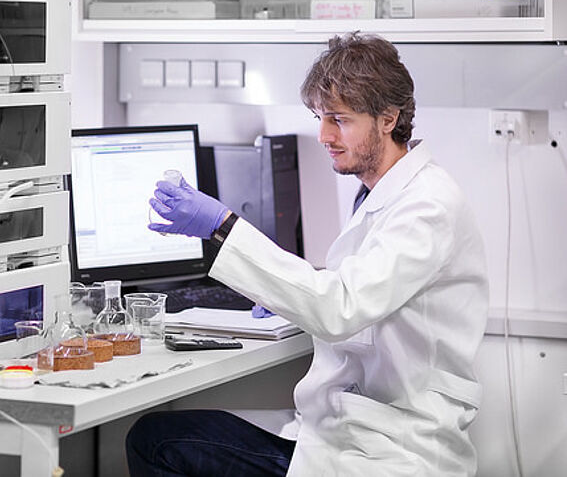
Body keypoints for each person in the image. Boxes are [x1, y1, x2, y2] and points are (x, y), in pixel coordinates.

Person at [127, 32, 489, 476]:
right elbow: (361, 285)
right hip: (355, 430)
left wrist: (223, 226)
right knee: (166, 435)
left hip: (395, 451)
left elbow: (339, 307)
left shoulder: (428, 205)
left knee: (157, 442)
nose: (323, 135)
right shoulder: (386, 195)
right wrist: (282, 288)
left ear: (388, 118)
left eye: (339, 119)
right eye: (319, 117)